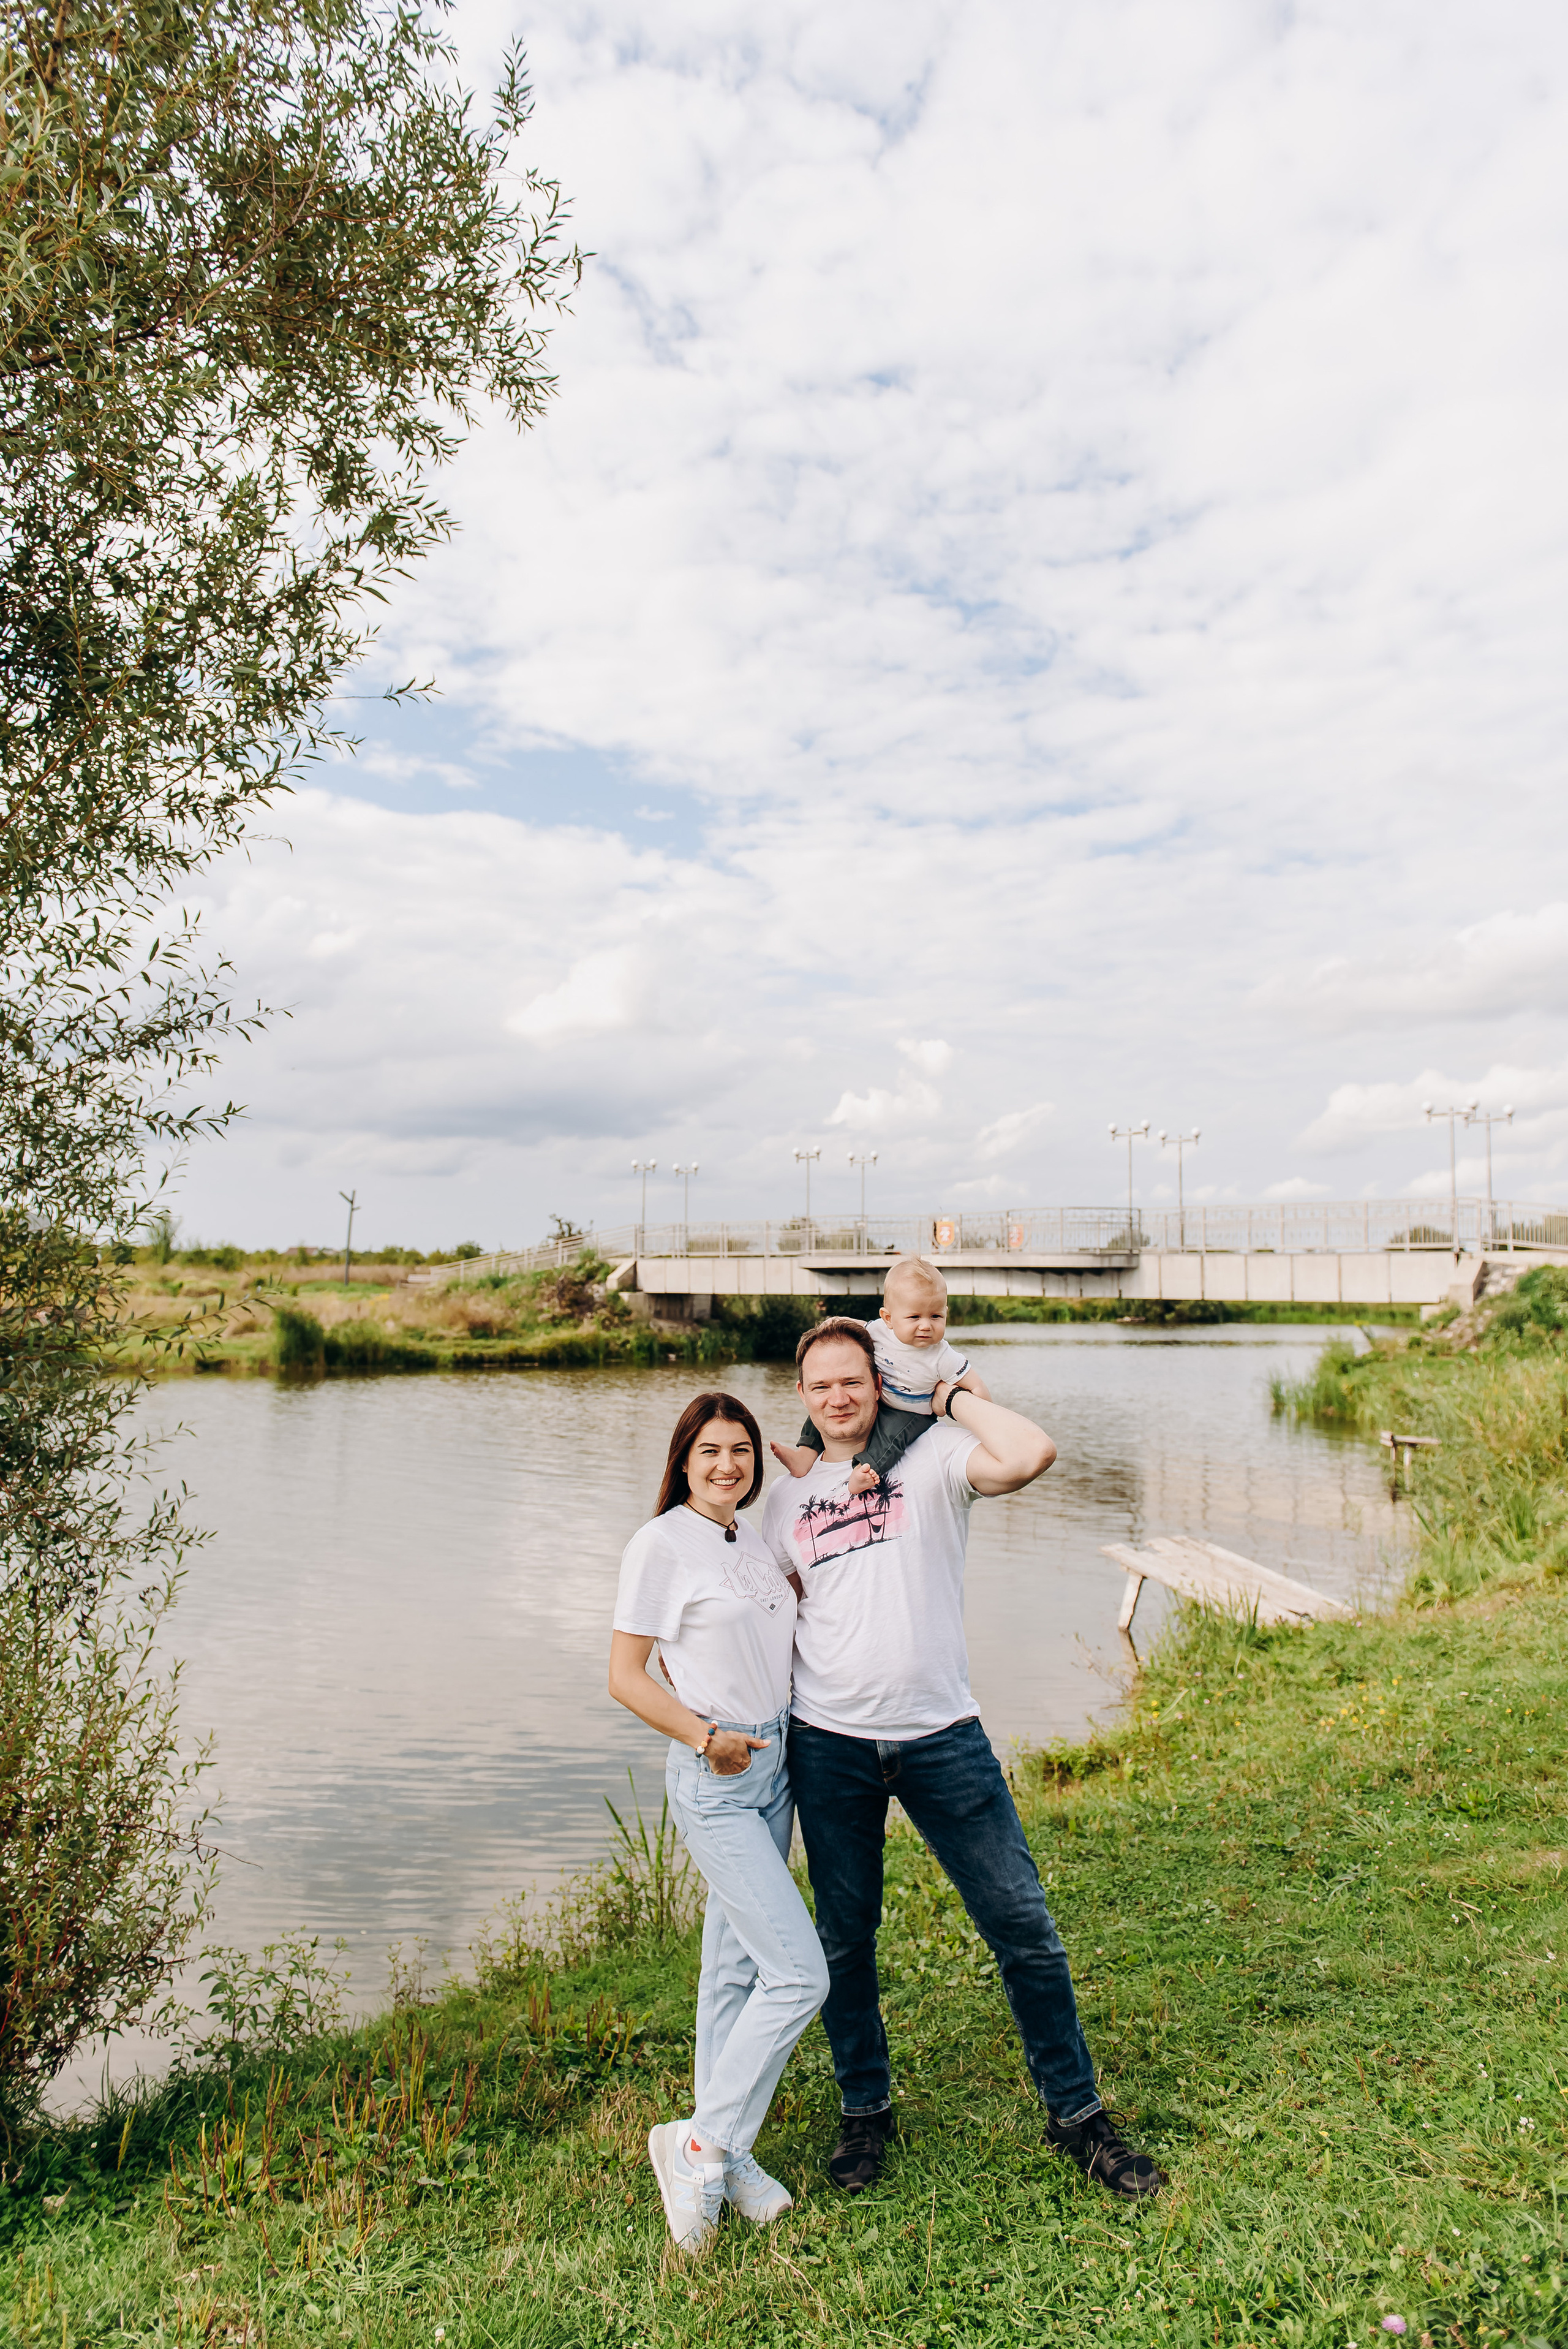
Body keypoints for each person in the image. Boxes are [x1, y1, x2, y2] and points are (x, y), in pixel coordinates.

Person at [762, 1317, 1163, 2201]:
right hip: (829, 1743)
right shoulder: (783, 1499)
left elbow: (1032, 1452)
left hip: (943, 1734)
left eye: (853, 1380)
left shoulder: (936, 1456)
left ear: (880, 1383)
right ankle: (865, 2111)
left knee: (1023, 1925)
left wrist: (945, 1395)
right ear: (802, 1396)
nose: (838, 1397)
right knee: (845, 1940)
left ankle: (1077, 2115)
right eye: (821, 1385)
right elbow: (766, 1611)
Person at [608, 1392, 830, 2255]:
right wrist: (706, 1736)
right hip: (718, 1772)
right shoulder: (660, 1544)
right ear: (683, 1459)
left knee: (733, 1970)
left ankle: (725, 2153)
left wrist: (820, 1465)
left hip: (777, 1766)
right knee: (798, 1975)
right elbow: (626, 1676)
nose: (728, 1465)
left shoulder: (753, 1535)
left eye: (741, 1449)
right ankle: (700, 2144)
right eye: (710, 1450)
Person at [769, 1256, 993, 1496]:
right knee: (826, 1407)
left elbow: (976, 1386)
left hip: (911, 1412)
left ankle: (865, 1469)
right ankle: (804, 1455)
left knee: (891, 1437)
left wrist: (984, 1423)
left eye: (936, 1316)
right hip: (878, 1398)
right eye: (915, 1317)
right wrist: (837, 1321)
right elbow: (860, 1325)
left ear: (946, 1313)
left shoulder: (943, 1357)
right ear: (888, 1318)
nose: (926, 1326)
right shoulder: (879, 1332)